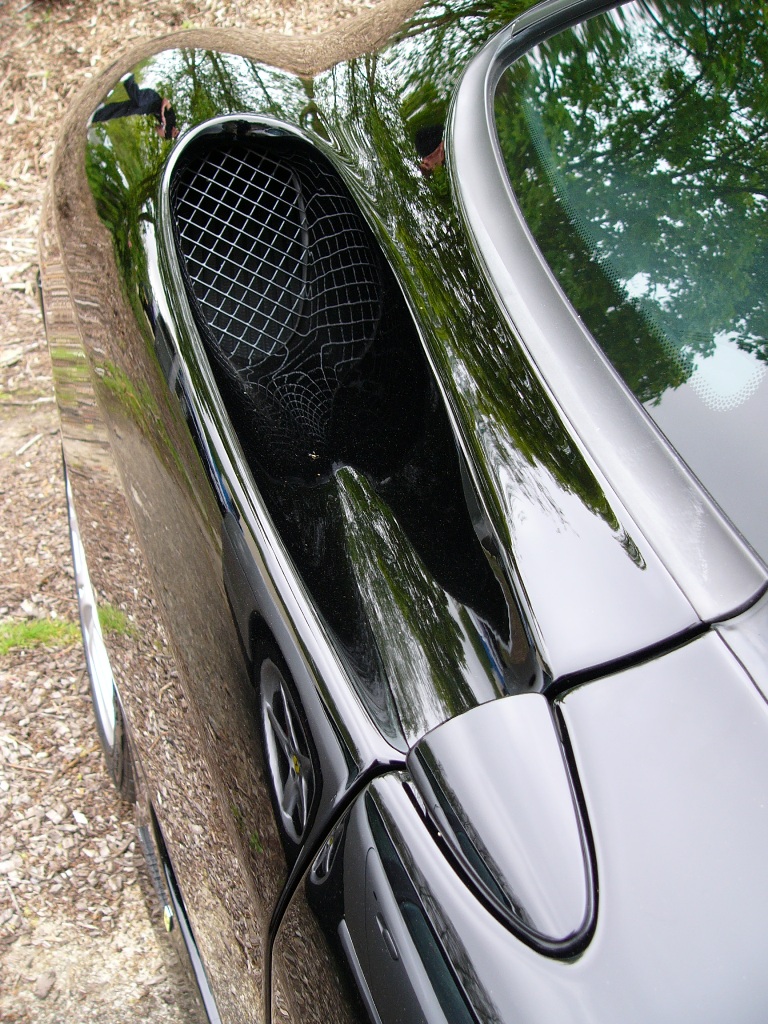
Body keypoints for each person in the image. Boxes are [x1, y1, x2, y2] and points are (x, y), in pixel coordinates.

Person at [91, 74, 179, 140]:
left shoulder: (167, 135)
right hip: (153, 98)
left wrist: (160, 129)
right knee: (139, 101)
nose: (175, 130)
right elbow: (165, 101)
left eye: (175, 133)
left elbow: (156, 127)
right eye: (177, 130)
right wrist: (163, 114)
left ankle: (97, 115)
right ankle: (129, 79)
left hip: (148, 109)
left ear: (173, 136)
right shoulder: (173, 118)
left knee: (126, 110)